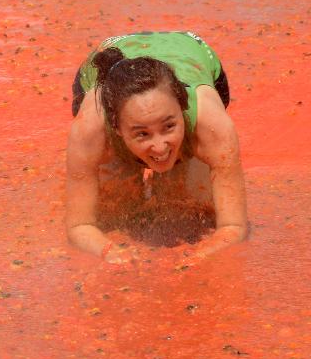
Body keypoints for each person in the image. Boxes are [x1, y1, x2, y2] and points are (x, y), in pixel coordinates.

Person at [66, 31, 247, 263]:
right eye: (142, 133)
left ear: (182, 108)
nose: (160, 147)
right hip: (104, 62)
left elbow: (233, 226)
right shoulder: (90, 130)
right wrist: (112, 252)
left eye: (169, 126)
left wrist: (197, 256)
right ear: (115, 127)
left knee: (189, 211)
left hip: (191, 50)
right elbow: (80, 225)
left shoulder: (213, 125)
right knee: (116, 216)